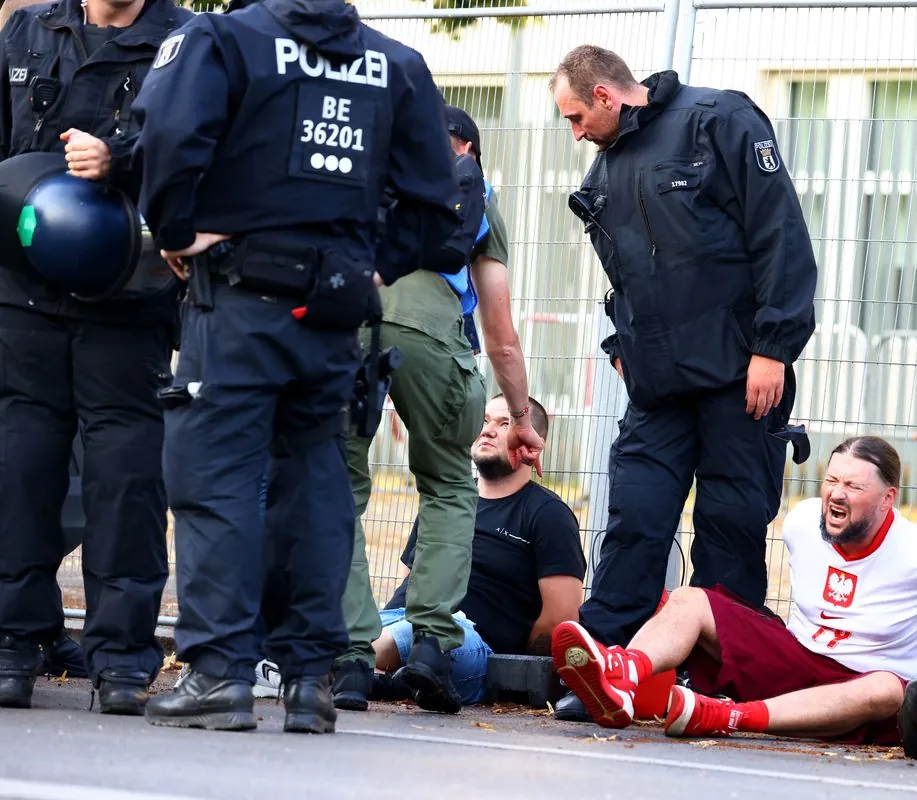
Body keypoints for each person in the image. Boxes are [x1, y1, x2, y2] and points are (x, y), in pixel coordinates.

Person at [130, 0, 467, 733]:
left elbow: (167, 135)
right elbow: (440, 202)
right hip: (335, 314)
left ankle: (220, 673)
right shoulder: (396, 64)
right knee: (317, 488)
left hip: (238, 301)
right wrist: (372, 268)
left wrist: (179, 230)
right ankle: (310, 681)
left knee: (216, 481)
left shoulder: (222, 39)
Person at [548, 45, 818, 667]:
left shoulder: (718, 121)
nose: (575, 134)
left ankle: (716, 677)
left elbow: (779, 235)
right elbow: (624, 276)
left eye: (575, 119)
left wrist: (773, 349)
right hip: (657, 388)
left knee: (729, 531)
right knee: (634, 520)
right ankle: (602, 666)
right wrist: (621, 348)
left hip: (741, 376)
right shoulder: (603, 173)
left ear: (605, 97)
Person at [551, 436, 917, 742]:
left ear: (887, 497)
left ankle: (725, 716)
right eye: (831, 479)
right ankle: (623, 674)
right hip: (799, 661)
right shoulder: (802, 522)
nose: (836, 494)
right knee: (694, 599)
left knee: (886, 689)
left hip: (873, 700)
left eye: (853, 486)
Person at [0, 0, 191, 714]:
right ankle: (14, 644)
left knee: (127, 486)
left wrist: (121, 159)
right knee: (19, 474)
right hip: (24, 297)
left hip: (129, 300)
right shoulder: (26, 31)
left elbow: (201, 149)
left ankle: (121, 660)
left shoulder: (185, 41)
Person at [334, 104, 544, 716]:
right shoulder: (479, 197)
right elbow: (500, 331)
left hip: (349, 323)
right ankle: (430, 644)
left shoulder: (366, 172)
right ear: (470, 154)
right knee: (451, 484)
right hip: (434, 336)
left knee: (338, 488)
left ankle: (350, 659)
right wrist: (522, 417)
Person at [368, 394, 585, 705]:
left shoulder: (548, 514)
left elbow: (560, 618)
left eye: (504, 423)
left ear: (533, 441)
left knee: (421, 632)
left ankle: (346, 666)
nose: (487, 430)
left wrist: (511, 671)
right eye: (484, 421)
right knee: (347, 622)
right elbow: (409, 581)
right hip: (402, 621)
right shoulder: (446, 500)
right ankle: (387, 679)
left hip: (471, 642)